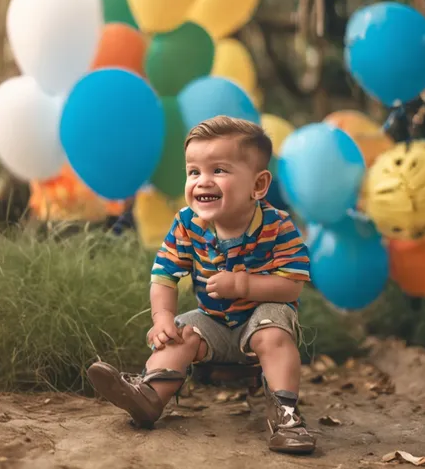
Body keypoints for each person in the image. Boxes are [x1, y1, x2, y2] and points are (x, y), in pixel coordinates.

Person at [88, 115, 315, 454]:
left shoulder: (278, 225)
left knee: (274, 333)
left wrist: (243, 285)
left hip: (262, 316)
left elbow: (292, 286)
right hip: (214, 321)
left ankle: (286, 415)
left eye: (219, 171)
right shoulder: (186, 223)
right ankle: (150, 395)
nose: (202, 181)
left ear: (258, 185)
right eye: (194, 172)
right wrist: (162, 317)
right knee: (180, 333)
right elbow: (164, 274)